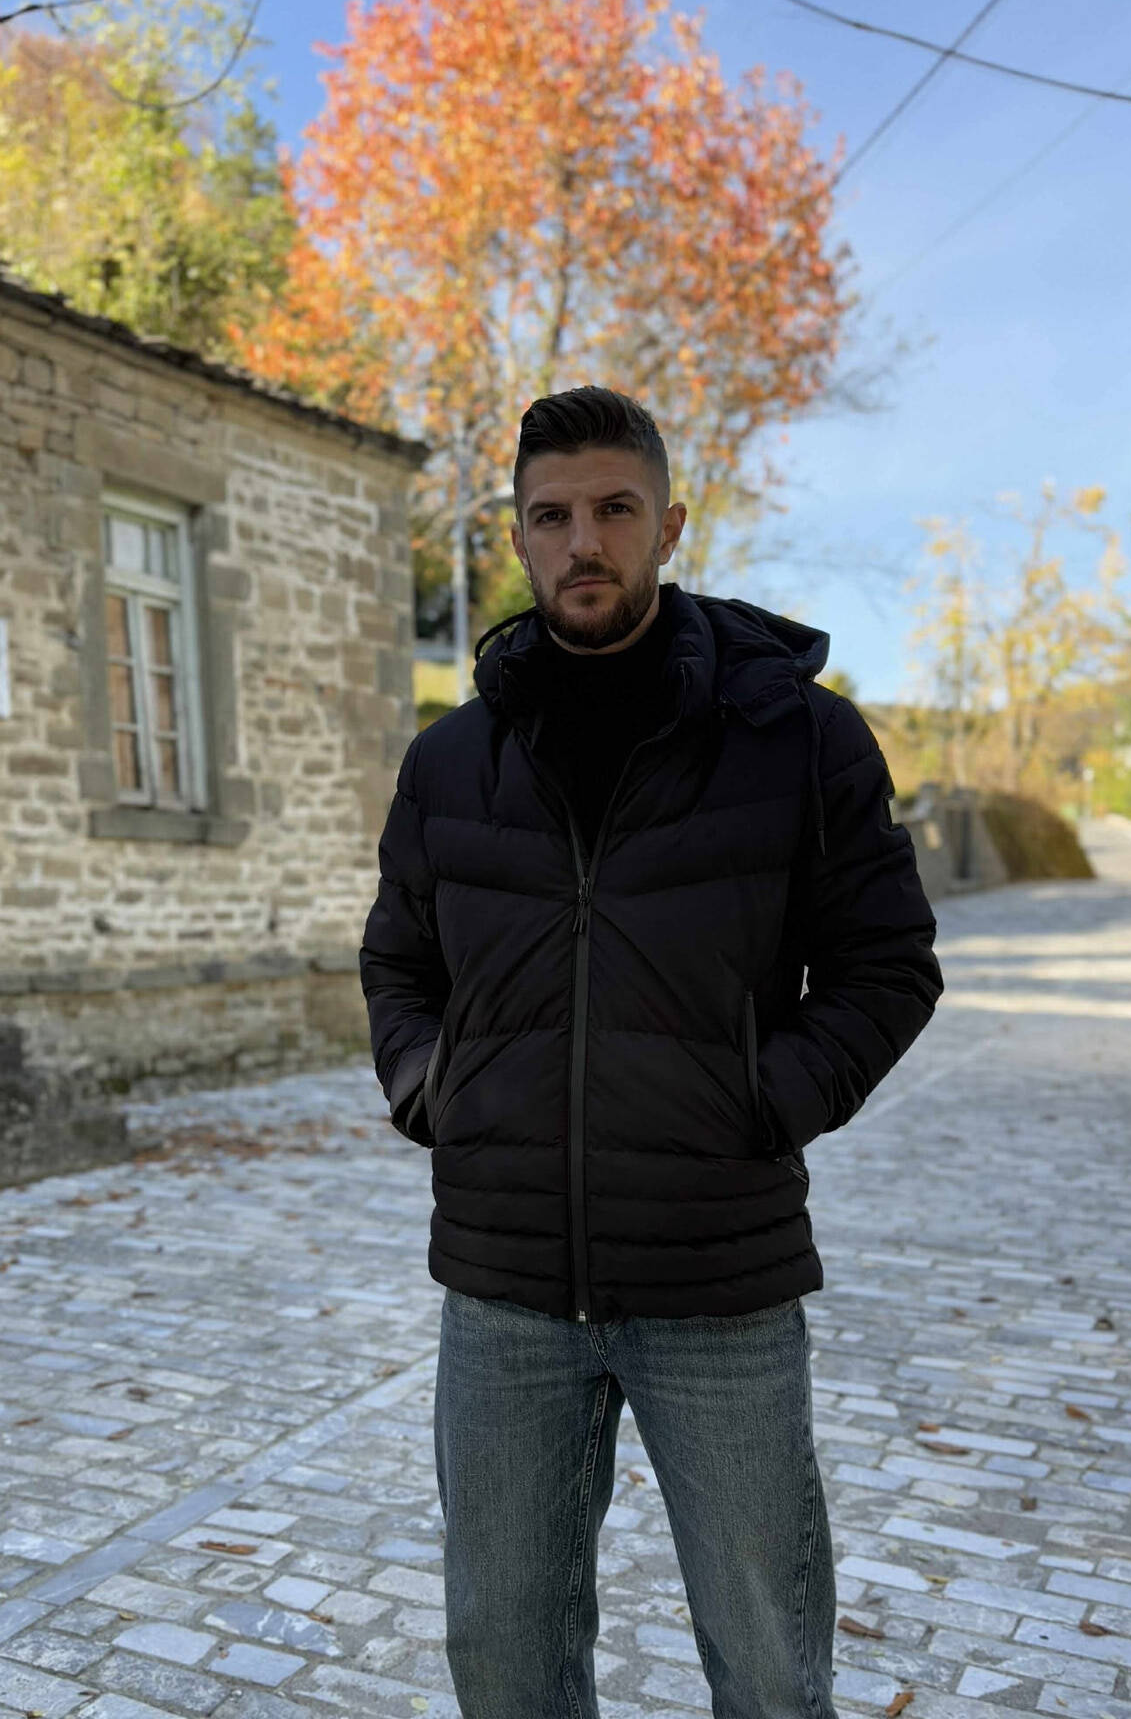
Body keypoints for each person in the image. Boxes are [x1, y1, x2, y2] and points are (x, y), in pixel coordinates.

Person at [359, 386, 943, 1719]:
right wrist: (433, 1087)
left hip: (717, 1279)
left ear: (670, 526)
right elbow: (398, 964)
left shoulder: (796, 738)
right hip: (504, 1289)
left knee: (771, 1669)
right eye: (552, 516)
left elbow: (888, 964)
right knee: (505, 1664)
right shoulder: (450, 761)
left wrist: (764, 1100)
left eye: (615, 509)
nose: (585, 542)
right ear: (518, 535)